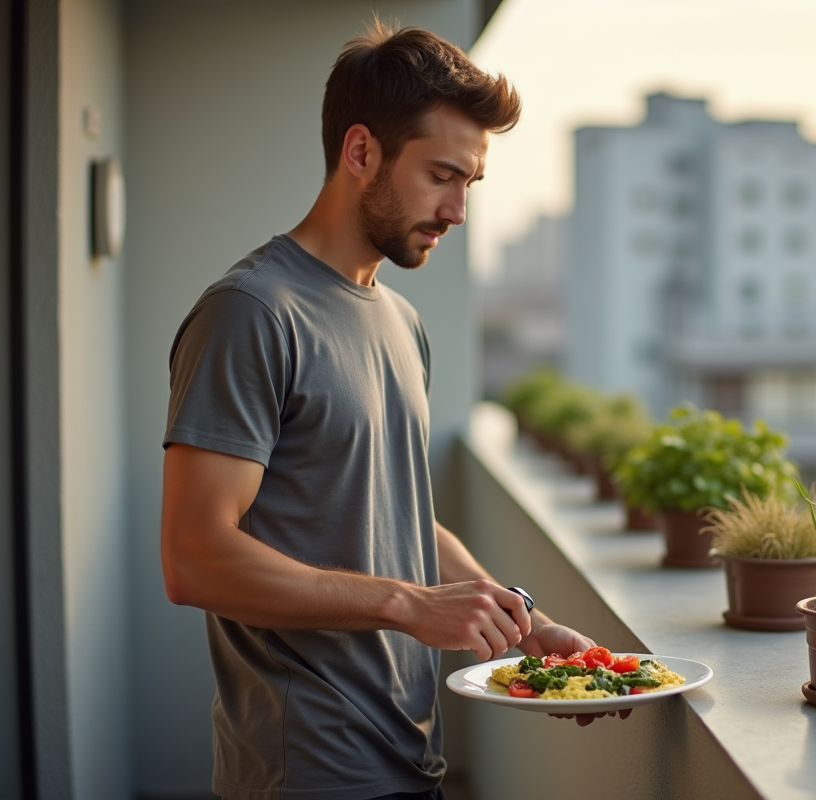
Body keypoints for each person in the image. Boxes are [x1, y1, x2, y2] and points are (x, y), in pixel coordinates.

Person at [160, 22, 599, 800]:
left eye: (471, 183)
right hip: (309, 772)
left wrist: (523, 628)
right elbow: (194, 556)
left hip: (410, 756)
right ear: (361, 152)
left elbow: (394, 513)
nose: (458, 210)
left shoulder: (401, 321)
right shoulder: (251, 313)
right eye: (441, 176)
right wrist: (408, 605)